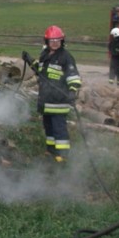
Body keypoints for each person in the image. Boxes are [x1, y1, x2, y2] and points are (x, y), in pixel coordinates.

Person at [21, 25, 81, 163]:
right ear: (46, 41)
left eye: (58, 40)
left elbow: (74, 77)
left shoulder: (66, 57)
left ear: (62, 41)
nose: (55, 43)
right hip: (46, 101)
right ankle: (51, 151)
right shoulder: (45, 55)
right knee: (49, 128)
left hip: (59, 101)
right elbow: (41, 73)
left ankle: (63, 155)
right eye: (52, 40)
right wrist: (30, 61)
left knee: (59, 129)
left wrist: (72, 91)